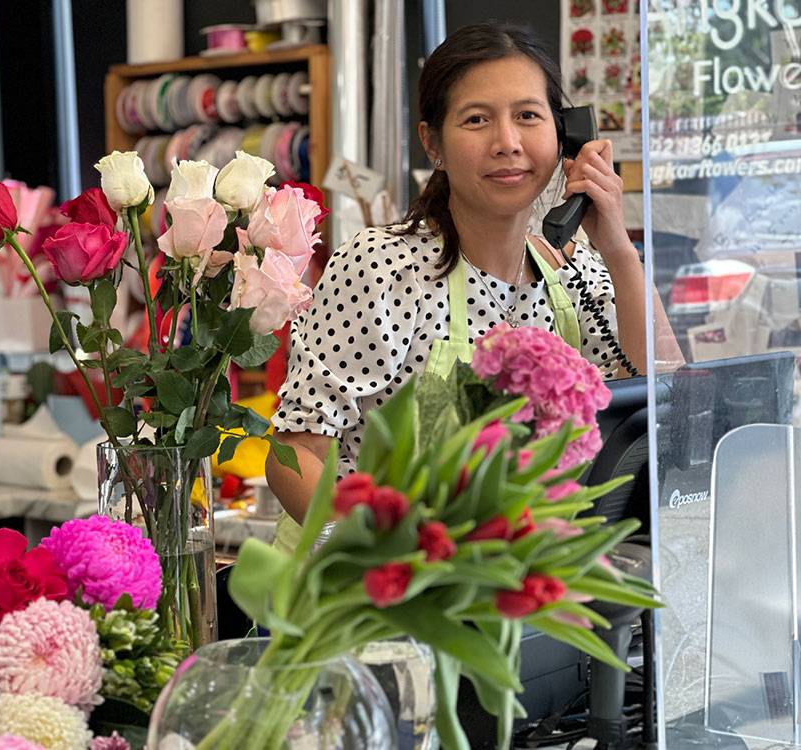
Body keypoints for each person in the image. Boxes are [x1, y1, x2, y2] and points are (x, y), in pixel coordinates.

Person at [266, 20, 681, 551]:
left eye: (528, 116)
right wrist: (376, 560)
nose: (507, 143)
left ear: (565, 135)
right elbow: (296, 451)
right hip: (372, 602)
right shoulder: (383, 269)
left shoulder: (575, 277)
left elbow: (674, 412)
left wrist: (620, 252)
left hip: (509, 595)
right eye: (477, 119)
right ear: (432, 142)